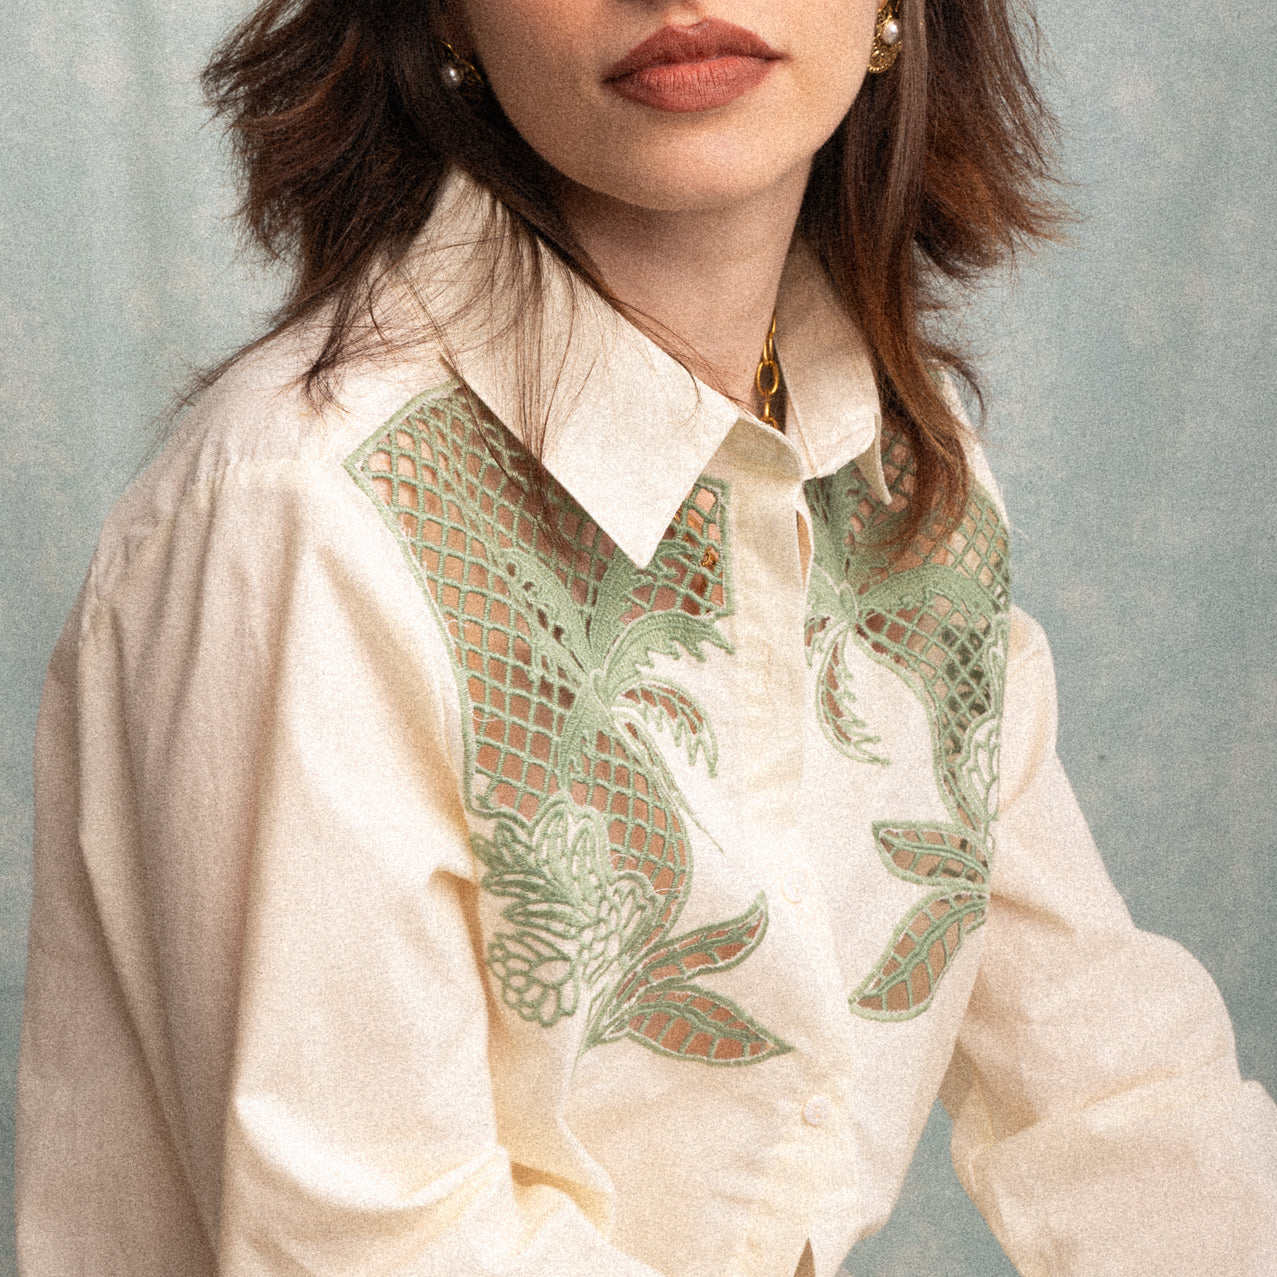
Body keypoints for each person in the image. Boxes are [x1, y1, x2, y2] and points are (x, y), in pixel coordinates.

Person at [15, 0, 1277, 1273]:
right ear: (448, 17)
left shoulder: (898, 461)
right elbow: (383, 1244)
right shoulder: (303, 513)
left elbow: (1115, 1090)